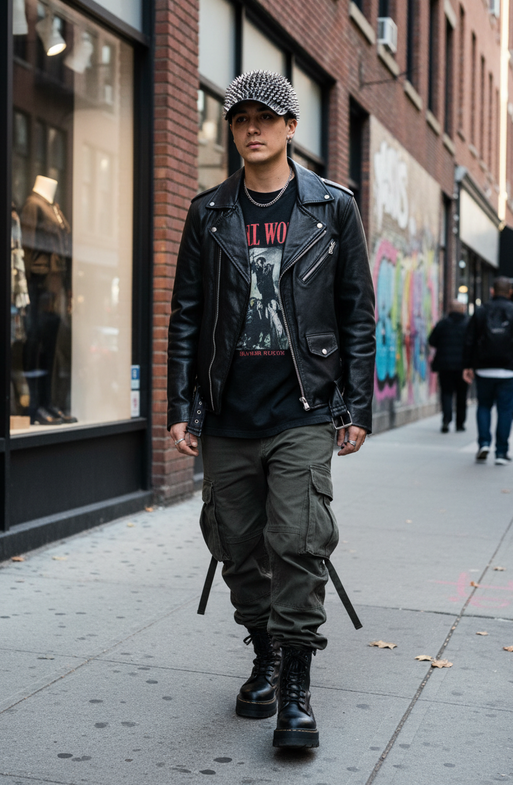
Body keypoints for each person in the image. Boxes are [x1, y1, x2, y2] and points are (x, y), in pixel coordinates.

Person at [167, 70, 376, 749]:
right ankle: (262, 650)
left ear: (291, 128)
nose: (250, 128)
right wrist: (181, 406)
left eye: (265, 116)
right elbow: (186, 318)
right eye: (239, 118)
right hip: (228, 412)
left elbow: (356, 314)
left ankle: (294, 687)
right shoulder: (208, 213)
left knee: (297, 541)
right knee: (235, 547)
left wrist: (354, 405)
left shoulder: (331, 209)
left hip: (304, 409)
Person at [463, 277, 513, 464]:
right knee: (505, 410)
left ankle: (484, 443)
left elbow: (469, 340)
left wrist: (467, 365)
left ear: (492, 291)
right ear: (510, 292)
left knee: (484, 406)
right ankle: (501, 452)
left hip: (484, 368)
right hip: (509, 370)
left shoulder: (480, 311)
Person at [428, 300, 469, 433]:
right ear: (462, 309)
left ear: (450, 309)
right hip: (463, 367)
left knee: (446, 393)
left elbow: (432, 341)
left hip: (445, 365)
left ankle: (446, 420)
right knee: (462, 395)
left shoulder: (442, 324)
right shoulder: (468, 324)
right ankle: (460, 423)